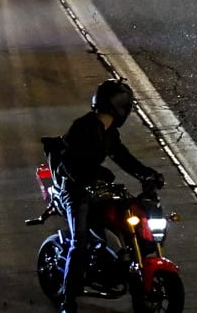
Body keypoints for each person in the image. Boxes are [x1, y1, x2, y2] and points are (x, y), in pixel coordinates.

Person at [57, 79, 164, 312]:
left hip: (97, 188)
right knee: (80, 242)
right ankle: (68, 299)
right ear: (121, 107)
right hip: (75, 191)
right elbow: (67, 162)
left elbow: (123, 158)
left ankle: (123, 269)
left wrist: (147, 175)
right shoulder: (82, 127)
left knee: (128, 220)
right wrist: (85, 180)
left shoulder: (109, 133)